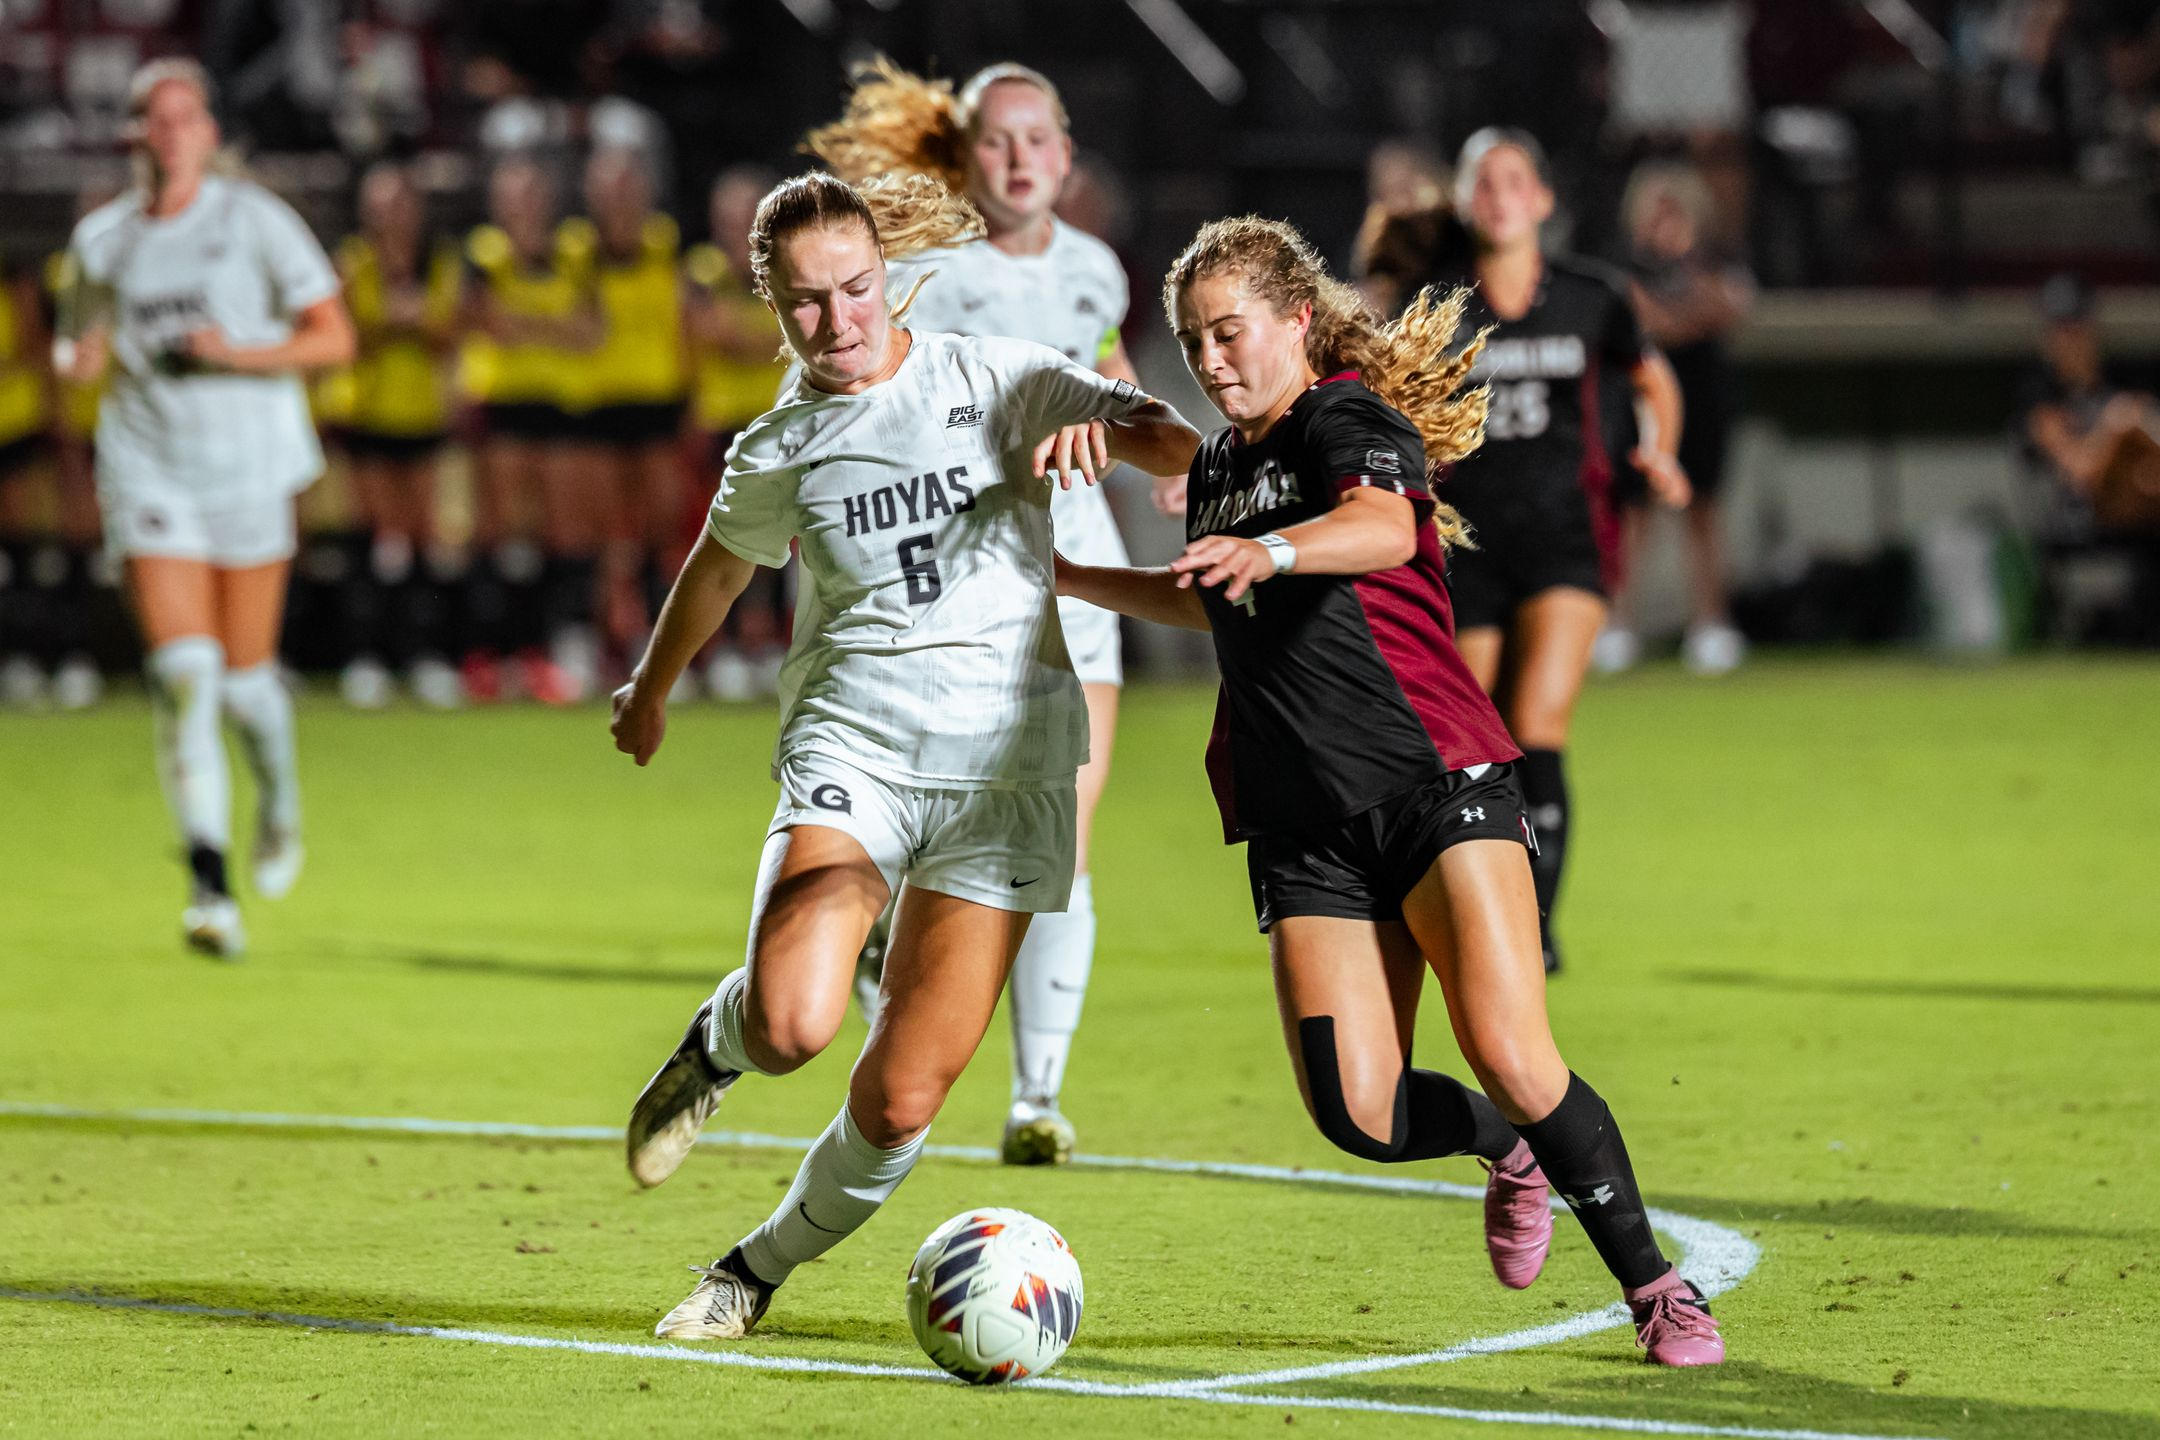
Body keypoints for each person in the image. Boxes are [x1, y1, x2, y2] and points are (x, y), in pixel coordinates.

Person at [1057, 214, 1724, 1367]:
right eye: (1192, 343)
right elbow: (1207, 595)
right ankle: (1504, 1148)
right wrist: (1072, 578)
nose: (1212, 363)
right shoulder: (1216, 466)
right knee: (1355, 1116)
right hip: (1299, 821)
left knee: (1515, 1050)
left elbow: (1374, 528)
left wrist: (1269, 552)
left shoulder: (1350, 417)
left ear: (1297, 322)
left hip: (1434, 779)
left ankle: (1658, 1288)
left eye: (1230, 334)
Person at [607, 172, 1200, 1339]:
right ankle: (719, 1044)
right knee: (792, 1025)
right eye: (806, 304)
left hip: (1010, 767)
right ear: (771, 305)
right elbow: (718, 569)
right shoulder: (780, 442)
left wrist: (1113, 423)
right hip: (860, 746)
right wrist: (652, 686)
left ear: (889, 271)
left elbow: (1172, 438)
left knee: (903, 1092)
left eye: (856, 288)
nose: (839, 322)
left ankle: (749, 1272)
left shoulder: (996, 374)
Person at [805, 59, 1161, 1164]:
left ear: (1064, 153)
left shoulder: (1098, 268)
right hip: (959, 578)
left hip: (1077, 564)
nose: (1019, 158)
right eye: (996, 140)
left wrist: (1163, 458)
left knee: (1068, 834)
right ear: (964, 157)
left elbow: (1105, 367)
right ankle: (891, 959)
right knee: (947, 828)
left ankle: (1037, 1097)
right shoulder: (920, 272)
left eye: (1037, 138)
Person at [1358, 128, 1689, 975]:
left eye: (1515, 180)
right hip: (1463, 544)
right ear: (1466, 203)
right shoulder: (1434, 303)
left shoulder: (1592, 296)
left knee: (1537, 726)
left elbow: (1652, 379)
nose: (1501, 195)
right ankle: (1478, 903)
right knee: (1473, 738)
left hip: (1566, 542)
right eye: (1483, 182)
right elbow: (1380, 398)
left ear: (1543, 200)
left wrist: (1660, 449)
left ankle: (1535, 926)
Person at [57, 59, 355, 956]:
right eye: (156, 118)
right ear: (134, 134)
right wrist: (77, 356)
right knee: (184, 673)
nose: (172, 132)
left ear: (210, 133)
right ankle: (209, 887)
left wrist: (234, 354)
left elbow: (333, 337)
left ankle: (280, 804)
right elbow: (77, 340)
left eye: (188, 117)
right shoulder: (102, 240)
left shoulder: (253, 221)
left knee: (244, 684)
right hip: (151, 474)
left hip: (251, 469)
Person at [456, 154, 601, 702]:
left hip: (559, 404)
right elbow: (484, 322)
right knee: (503, 532)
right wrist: (552, 328)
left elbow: (592, 329)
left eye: (532, 195)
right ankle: (497, 655)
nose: (523, 207)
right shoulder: (481, 255)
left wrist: (524, 327)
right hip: (501, 403)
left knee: (565, 532)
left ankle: (556, 650)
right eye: (512, 197)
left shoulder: (574, 253)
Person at [1603, 160, 1754, 677]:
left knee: (1704, 510)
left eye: (1675, 208)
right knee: (1634, 514)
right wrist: (1684, 317)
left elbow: (1730, 306)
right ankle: (1618, 626)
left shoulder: (1712, 258)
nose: (1665, 219)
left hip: (1704, 394)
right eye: (1656, 208)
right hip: (1640, 397)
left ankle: (1711, 624)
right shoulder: (1622, 264)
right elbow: (1640, 319)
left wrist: (1685, 294)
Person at [333, 161, 465, 709]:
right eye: (380, 204)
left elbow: (447, 331)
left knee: (425, 544)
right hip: (367, 415)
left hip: (424, 416)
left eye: (400, 203)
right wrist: (397, 321)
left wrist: (401, 323)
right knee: (379, 543)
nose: (390, 215)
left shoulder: (441, 262)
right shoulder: (352, 263)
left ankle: (425, 657)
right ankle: (368, 659)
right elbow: (346, 333)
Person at [566, 146, 693, 672]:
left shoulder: (665, 244)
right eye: (608, 188)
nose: (619, 199)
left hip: (658, 398)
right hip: (597, 401)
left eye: (628, 187)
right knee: (598, 534)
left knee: (663, 528)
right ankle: (599, 644)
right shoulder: (574, 251)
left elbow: (683, 318)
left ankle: (657, 644)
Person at [682, 164, 790, 701]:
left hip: (777, 420)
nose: (737, 226)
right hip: (719, 425)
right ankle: (717, 650)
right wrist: (774, 333)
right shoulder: (701, 273)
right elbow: (708, 333)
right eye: (727, 215)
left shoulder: (789, 269)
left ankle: (764, 645)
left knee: (775, 546)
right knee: (718, 543)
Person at [2018, 272, 2160, 643]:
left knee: (2146, 467)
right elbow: (2080, 471)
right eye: (2059, 329)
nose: (2069, 339)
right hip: (2080, 514)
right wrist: (2116, 429)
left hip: (2143, 505)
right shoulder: (2041, 396)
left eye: (2076, 326)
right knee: (2130, 436)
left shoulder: (2123, 379)